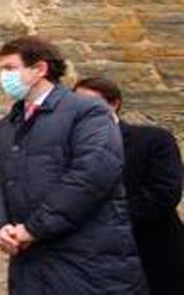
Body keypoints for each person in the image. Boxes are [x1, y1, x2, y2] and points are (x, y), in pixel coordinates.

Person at [0, 36, 147, 294]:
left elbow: (90, 176)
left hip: (87, 260)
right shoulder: (9, 123)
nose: (4, 77)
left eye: (10, 68)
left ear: (39, 69)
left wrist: (33, 228)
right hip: (30, 262)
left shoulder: (88, 112)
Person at [74, 76, 184, 295]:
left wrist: (104, 220)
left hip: (152, 253)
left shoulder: (153, 140)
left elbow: (164, 194)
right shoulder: (70, 147)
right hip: (93, 262)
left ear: (114, 104)